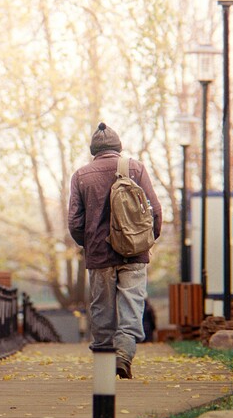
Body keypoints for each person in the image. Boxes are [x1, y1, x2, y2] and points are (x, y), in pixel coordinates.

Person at [67, 122, 163, 378]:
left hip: (100, 254)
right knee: (133, 303)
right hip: (134, 251)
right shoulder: (135, 168)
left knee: (101, 307)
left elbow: (75, 222)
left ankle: (103, 362)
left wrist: (89, 244)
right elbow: (155, 209)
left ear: (93, 150)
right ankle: (124, 353)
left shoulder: (81, 176)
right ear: (118, 147)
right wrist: (146, 240)